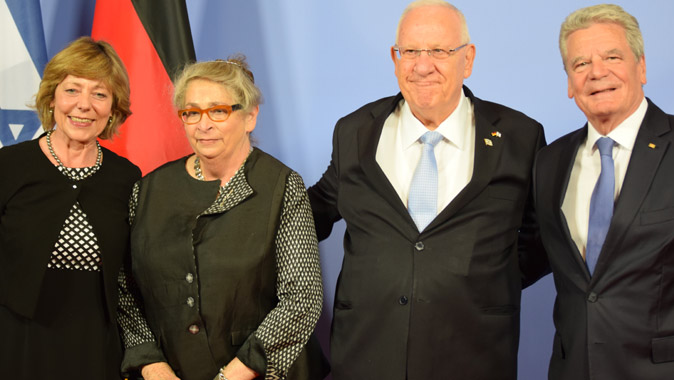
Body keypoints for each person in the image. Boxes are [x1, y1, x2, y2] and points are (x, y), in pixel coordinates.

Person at [308, 1, 547, 379]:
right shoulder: (354, 130)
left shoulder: (520, 136)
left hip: (473, 353)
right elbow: (316, 210)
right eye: (411, 51)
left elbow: (542, 236)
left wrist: (486, 279)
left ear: (467, 59)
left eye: (438, 50)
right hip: (367, 352)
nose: (422, 65)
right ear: (395, 57)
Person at [119, 56, 328, 380]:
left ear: (250, 116)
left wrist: (234, 375)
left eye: (218, 111)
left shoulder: (282, 186)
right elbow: (125, 290)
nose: (204, 125)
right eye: (191, 112)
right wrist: (151, 364)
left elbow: (303, 298)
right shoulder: (147, 190)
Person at [534, 4, 674, 379]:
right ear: (569, 82)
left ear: (641, 67)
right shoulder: (548, 162)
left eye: (612, 57)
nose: (597, 72)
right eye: (580, 64)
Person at [0, 36, 141, 379]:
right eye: (73, 90)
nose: (84, 105)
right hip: (16, 342)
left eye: (100, 94)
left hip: (95, 346)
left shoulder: (127, 178)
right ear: (52, 98)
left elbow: (131, 275)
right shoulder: (9, 166)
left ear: (112, 109)